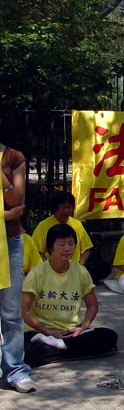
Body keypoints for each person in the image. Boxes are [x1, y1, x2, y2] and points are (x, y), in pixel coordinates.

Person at [21, 224, 118, 367]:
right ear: (51, 248)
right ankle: (64, 348)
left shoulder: (80, 271)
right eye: (62, 244)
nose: (67, 248)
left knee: (109, 336)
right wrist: (49, 332)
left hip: (71, 332)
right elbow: (24, 311)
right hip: (41, 333)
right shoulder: (37, 273)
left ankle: (60, 347)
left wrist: (83, 327)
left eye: (71, 244)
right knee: (27, 350)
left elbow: (92, 305)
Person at [1, 140, 35, 392]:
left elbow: (16, 200)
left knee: (11, 311)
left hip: (9, 241)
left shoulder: (13, 157)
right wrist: (5, 214)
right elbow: (10, 210)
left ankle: (15, 370)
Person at [32, 191, 93, 265]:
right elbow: (36, 251)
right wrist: (47, 266)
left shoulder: (77, 224)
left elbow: (86, 248)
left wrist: (80, 265)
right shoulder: (43, 226)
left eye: (69, 207)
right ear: (56, 208)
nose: (66, 211)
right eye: (63, 208)